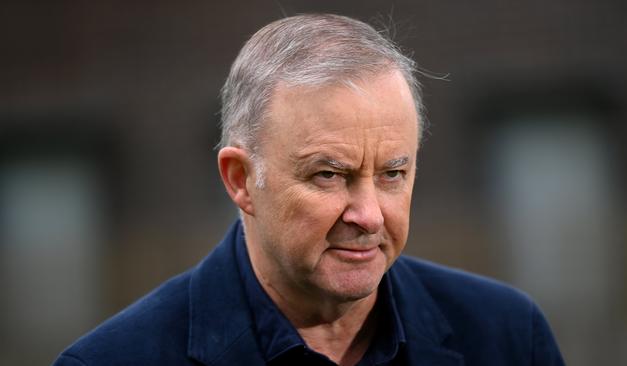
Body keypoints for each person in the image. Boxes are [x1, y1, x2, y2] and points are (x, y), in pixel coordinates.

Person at [53, 13, 564, 366]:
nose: (368, 215)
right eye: (329, 175)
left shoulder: (508, 336)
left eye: (392, 174)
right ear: (240, 180)